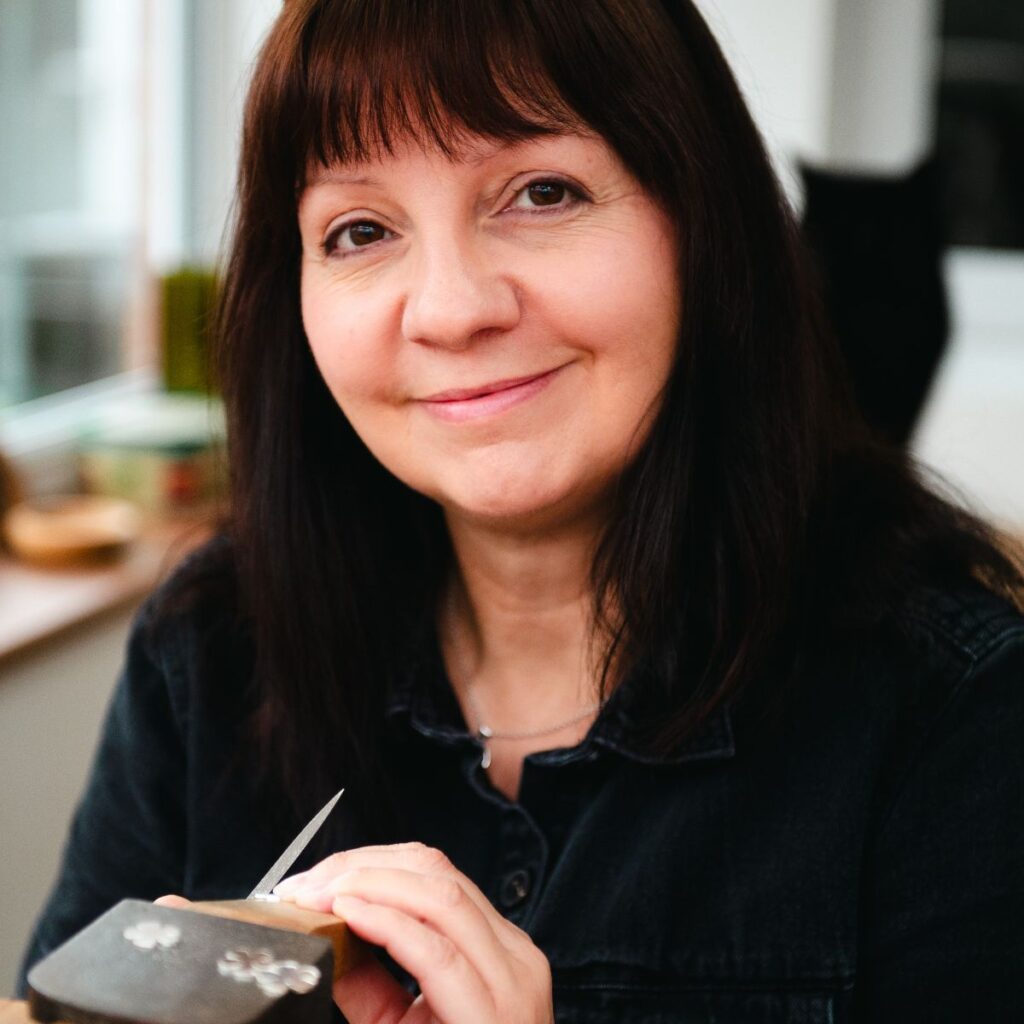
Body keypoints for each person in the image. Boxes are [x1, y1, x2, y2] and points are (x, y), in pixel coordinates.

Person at [17, 1, 1024, 1021]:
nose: (452, 310)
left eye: (541, 193)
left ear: (701, 221)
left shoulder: (956, 714)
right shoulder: (211, 650)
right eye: (360, 229)